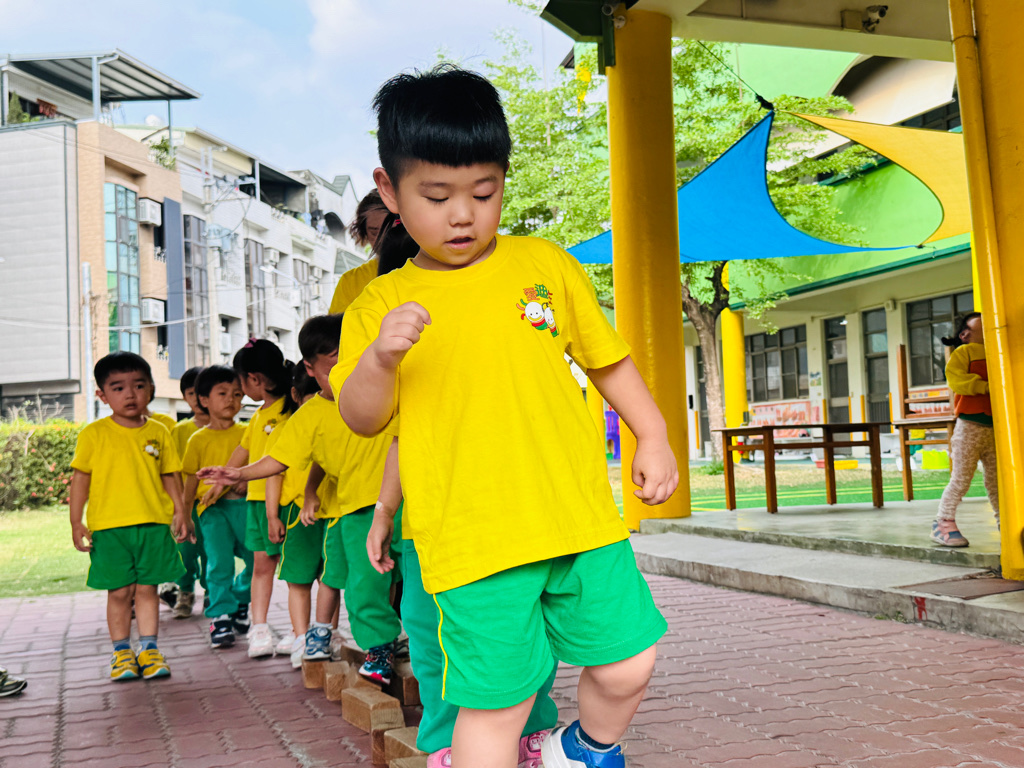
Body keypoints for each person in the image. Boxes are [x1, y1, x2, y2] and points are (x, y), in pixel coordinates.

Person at [334, 65, 677, 768]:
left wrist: (654, 433)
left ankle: (577, 752)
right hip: (473, 544)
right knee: (498, 703)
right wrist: (380, 360)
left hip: (579, 520)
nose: (463, 215)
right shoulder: (378, 305)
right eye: (437, 197)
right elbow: (363, 418)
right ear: (389, 191)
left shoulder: (545, 265)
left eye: (484, 192)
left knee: (629, 662)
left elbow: (607, 360)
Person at [200, 314, 401, 684]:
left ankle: (422, 646)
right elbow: (279, 459)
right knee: (364, 585)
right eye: (335, 363)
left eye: (357, 358)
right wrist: (239, 474)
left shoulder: (388, 387)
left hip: (409, 502)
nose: (348, 371)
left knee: (418, 583)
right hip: (357, 511)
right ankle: (380, 648)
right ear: (309, 368)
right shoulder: (311, 415)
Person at [369, 440, 558, 768]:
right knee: (434, 635)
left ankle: (531, 730)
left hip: (519, 514)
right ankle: (446, 740)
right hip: (434, 523)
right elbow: (401, 439)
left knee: (530, 625)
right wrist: (383, 511)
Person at [69, 351, 190, 681]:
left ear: (150, 388)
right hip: (109, 529)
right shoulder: (93, 434)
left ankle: (149, 650)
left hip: (153, 525)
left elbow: (170, 475)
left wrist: (181, 511)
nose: (130, 394)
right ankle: (122, 653)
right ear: (102, 395)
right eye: (118, 387)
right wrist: (76, 521)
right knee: (120, 592)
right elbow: (80, 479)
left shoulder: (160, 432)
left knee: (148, 590)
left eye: (138, 385)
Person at [209, 339, 297, 656]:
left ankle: (299, 630)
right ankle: (259, 628)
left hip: (286, 504)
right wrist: (220, 482)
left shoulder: (290, 412)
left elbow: (280, 466)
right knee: (261, 566)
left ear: (254, 379)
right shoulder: (259, 415)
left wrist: (273, 514)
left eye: (241, 382)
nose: (240, 388)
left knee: (296, 571)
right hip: (257, 503)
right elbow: (243, 450)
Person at [181, 365, 252, 648]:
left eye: (237, 394)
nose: (231, 400)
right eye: (222, 393)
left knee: (258, 560)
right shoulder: (197, 439)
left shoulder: (248, 433)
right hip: (212, 511)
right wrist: (185, 515)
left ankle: (241, 599)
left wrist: (247, 482)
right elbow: (189, 481)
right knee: (218, 562)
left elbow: (260, 468)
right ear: (204, 400)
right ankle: (220, 616)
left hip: (247, 508)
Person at [264, 364, 323, 667]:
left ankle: (325, 635)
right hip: (296, 515)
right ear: (296, 395)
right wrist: (272, 516)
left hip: (332, 512)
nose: (316, 402)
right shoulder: (286, 430)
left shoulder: (338, 422)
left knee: (329, 580)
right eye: (310, 396)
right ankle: (301, 636)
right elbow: (273, 474)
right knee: (298, 580)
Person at [932, 312, 999, 547]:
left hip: (996, 428)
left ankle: (1005, 522)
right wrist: (985, 387)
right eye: (980, 319)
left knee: (997, 482)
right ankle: (943, 521)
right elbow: (956, 380)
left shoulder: (998, 350)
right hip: (970, 425)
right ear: (964, 334)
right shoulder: (964, 353)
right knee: (961, 478)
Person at [166, 366, 209, 618]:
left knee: (213, 552)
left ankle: (212, 591)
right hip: (186, 504)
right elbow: (171, 471)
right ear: (184, 397)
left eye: (203, 392)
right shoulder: (180, 431)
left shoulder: (229, 430)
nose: (198, 399)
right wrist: (178, 506)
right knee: (185, 551)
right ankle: (185, 591)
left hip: (216, 505)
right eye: (192, 393)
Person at [329, 190, 390, 313]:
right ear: (364, 233)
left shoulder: (429, 269)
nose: (382, 239)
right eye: (374, 233)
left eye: (390, 230)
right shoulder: (350, 282)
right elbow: (337, 325)